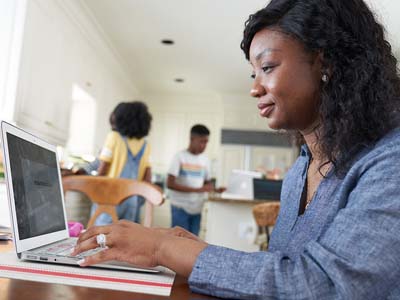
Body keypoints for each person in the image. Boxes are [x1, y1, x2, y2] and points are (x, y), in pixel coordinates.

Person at [72, 0, 400, 298]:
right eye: (253, 73)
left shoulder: (390, 161)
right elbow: (283, 270)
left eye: (267, 67)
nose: (254, 88)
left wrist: (163, 248)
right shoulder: (302, 167)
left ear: (325, 62)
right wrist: (197, 252)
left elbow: (324, 286)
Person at [92, 101, 153, 225]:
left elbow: (103, 168)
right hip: (132, 200)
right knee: (125, 237)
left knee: (101, 236)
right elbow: (147, 179)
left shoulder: (113, 137)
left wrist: (94, 189)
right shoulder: (146, 146)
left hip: (109, 198)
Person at [167, 124, 221, 236]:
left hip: (197, 209)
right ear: (192, 139)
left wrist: (216, 189)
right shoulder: (179, 157)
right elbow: (170, 184)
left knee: (193, 244)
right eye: (202, 141)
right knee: (178, 243)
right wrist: (198, 190)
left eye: (206, 142)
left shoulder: (205, 160)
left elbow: (207, 184)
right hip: (180, 208)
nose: (204, 145)